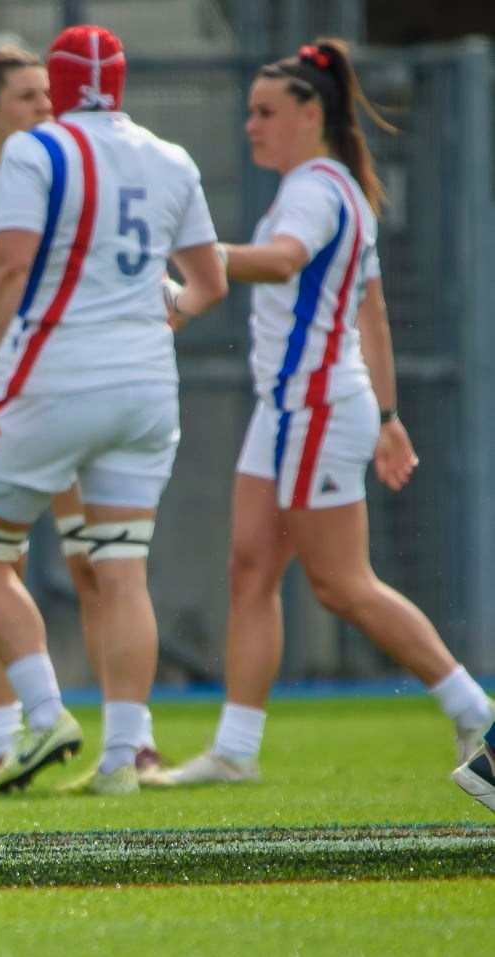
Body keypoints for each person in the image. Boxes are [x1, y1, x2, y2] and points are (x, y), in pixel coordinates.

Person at [152, 39, 495, 813]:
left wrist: (196, 259)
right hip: (290, 408)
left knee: (341, 584)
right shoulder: (332, 185)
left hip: (310, 406)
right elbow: (369, 312)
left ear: (312, 113)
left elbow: (278, 262)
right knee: (249, 568)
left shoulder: (313, 189)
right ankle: (234, 750)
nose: (250, 126)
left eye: (265, 112)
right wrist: (387, 415)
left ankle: (475, 711)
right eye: (247, 113)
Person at [0, 25, 228, 795]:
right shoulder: (170, 157)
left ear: (62, 86)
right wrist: (159, 310)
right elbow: (208, 285)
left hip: (56, 378)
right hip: (147, 386)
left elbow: (11, 264)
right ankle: (120, 760)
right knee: (120, 570)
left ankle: (44, 714)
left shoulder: (35, 151)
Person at [0, 46, 166, 790]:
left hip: (63, 385)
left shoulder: (63, 174)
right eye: (28, 98)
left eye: (49, 96)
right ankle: (4, 738)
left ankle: (130, 741)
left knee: (94, 563)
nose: (46, 109)